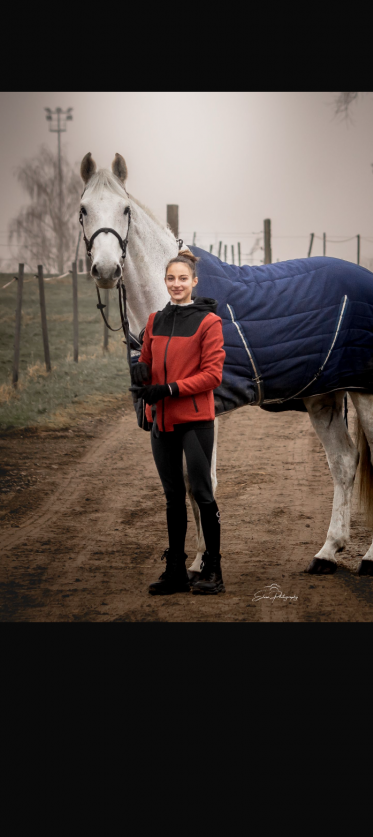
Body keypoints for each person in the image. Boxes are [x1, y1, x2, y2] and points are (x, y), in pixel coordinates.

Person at [132, 250, 226, 596]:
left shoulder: (209, 322)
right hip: (162, 420)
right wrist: (141, 373)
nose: (176, 284)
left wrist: (169, 388)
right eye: (171, 278)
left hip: (195, 421)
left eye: (183, 278)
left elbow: (212, 375)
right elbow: (146, 361)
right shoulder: (154, 320)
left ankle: (213, 570)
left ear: (194, 282)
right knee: (173, 496)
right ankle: (175, 570)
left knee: (201, 493)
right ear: (165, 281)